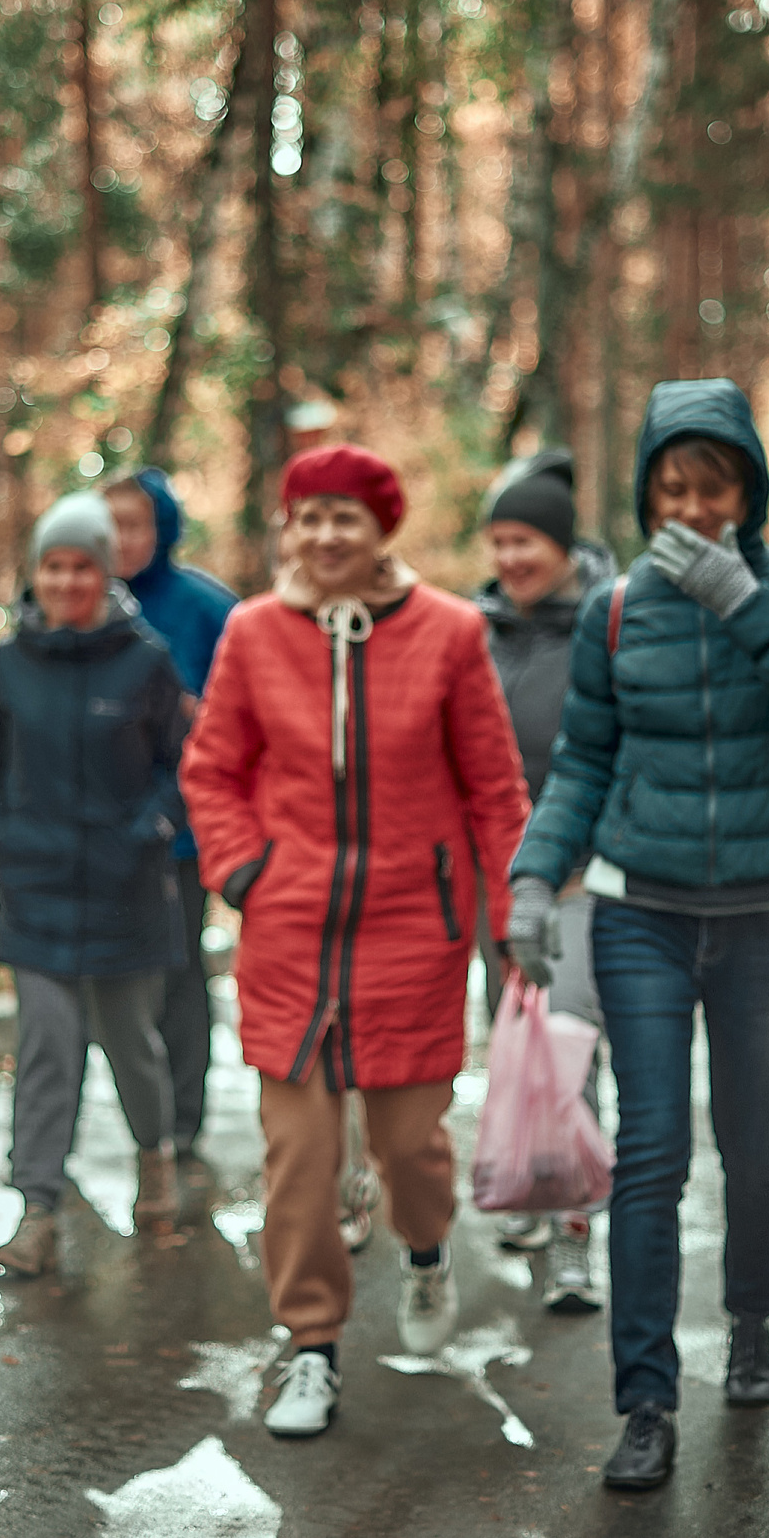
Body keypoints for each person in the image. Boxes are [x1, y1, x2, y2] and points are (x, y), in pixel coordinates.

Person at [509, 379, 769, 1493]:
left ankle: (751, 1324)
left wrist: (743, 602)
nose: (693, 508)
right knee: (651, 1153)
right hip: (643, 916)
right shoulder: (617, 610)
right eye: (672, 489)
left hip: (765, 918)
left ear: (747, 491)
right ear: (647, 495)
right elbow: (583, 759)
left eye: (713, 487)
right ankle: (646, 1399)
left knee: (751, 1145)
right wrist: (534, 876)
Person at [181, 444, 531, 1440]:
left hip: (414, 933)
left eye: (347, 516)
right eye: (310, 516)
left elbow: (495, 787)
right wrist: (245, 872)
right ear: (289, 528)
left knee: (409, 1147)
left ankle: (425, 1252)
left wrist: (512, 916)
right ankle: (311, 1344)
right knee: (298, 1158)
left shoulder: (451, 631)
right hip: (289, 933)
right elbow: (211, 770)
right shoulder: (253, 632)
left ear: (382, 530)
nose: (327, 534)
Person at [0, 491, 192, 1278]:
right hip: (36, 891)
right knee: (47, 1051)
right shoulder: (9, 663)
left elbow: (182, 764)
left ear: (106, 572)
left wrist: (152, 831)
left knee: (133, 1047)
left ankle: (156, 1161)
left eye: (82, 567)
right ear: (37, 573)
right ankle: (37, 1211)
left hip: (127, 891)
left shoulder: (146, 659)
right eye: (53, 567)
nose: (66, 582)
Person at [474, 449, 617, 1314]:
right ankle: (532, 1193)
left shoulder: (609, 621)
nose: (510, 559)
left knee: (568, 1045)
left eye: (525, 540)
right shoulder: (476, 629)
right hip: (491, 879)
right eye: (498, 542)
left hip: (580, 879)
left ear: (563, 544)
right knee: (510, 1045)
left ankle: (574, 1233)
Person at [103, 468, 239, 1162]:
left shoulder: (208, 608)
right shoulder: (80, 599)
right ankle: (144, 1123)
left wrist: (190, 715)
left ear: (164, 529)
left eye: (136, 525)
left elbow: (246, 714)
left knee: (181, 977)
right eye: (110, 526)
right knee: (117, 986)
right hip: (100, 832)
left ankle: (183, 1125)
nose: (122, 540)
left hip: (181, 831)